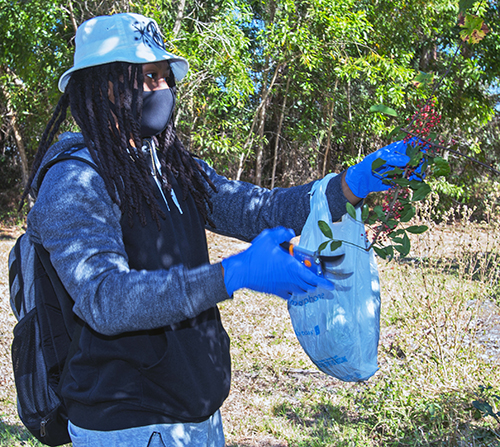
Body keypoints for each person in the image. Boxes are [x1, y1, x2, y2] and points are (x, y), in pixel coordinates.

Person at [22, 12, 415, 447]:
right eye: (147, 77)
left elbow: (257, 209)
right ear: (104, 85)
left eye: (165, 77)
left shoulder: (173, 166)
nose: (163, 89)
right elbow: (106, 299)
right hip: (127, 422)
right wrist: (233, 274)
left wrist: (350, 185)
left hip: (196, 413)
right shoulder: (75, 181)